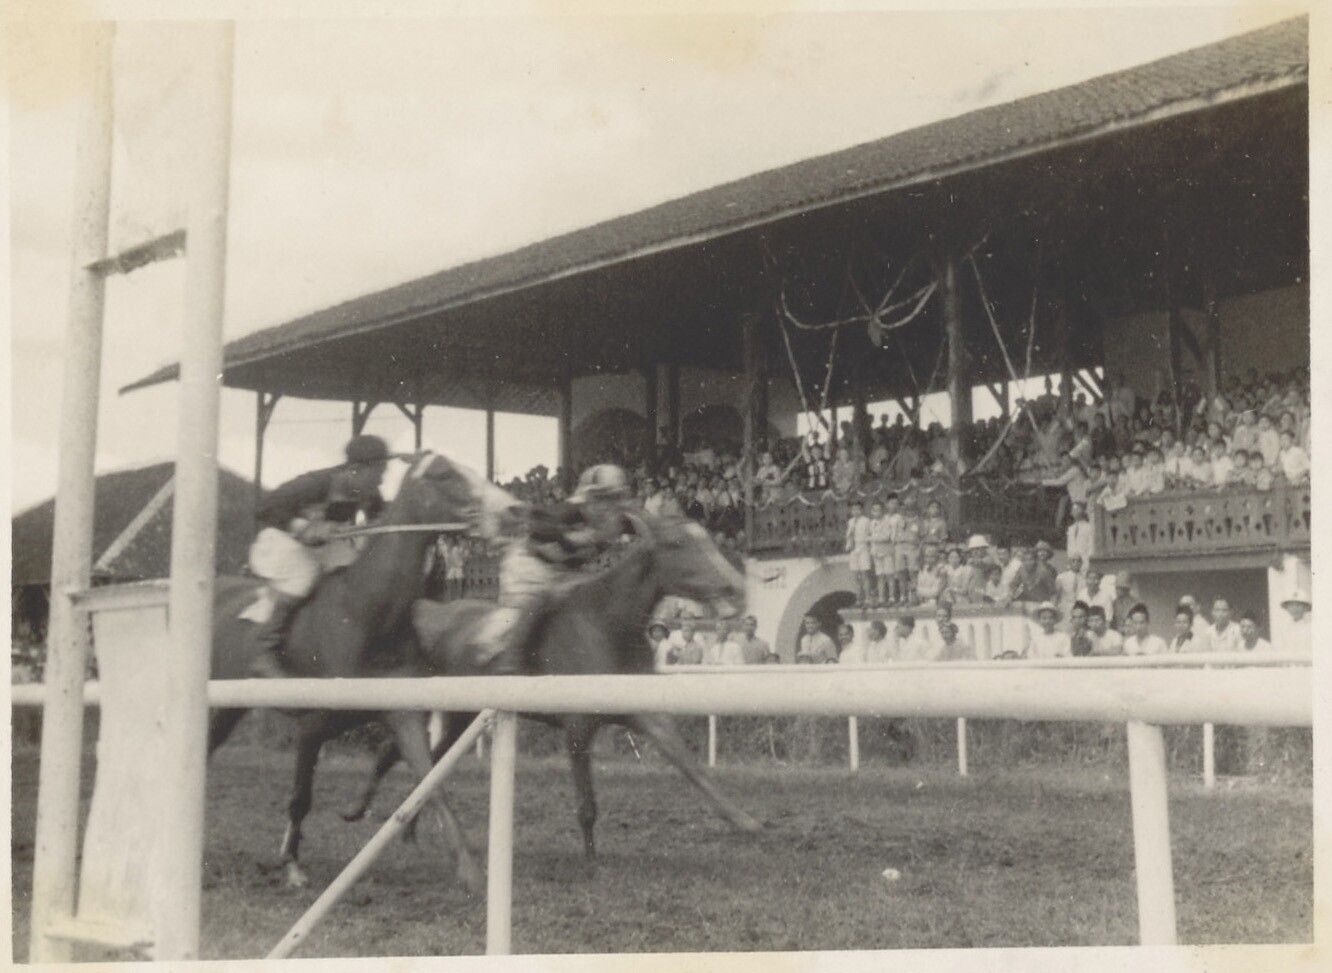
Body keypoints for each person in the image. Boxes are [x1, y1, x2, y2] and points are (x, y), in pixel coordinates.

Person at [246, 434, 393, 677]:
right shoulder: (313, 484)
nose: (381, 480)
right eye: (378, 473)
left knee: (352, 568)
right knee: (305, 575)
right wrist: (303, 527)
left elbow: (380, 516)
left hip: (318, 545)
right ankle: (264, 649)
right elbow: (265, 508)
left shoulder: (367, 491)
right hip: (281, 539)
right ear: (357, 469)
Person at [489, 463, 636, 674]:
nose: (608, 506)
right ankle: (512, 657)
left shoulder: (620, 521)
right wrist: (567, 538)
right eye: (602, 498)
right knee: (540, 597)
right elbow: (537, 523)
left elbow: (647, 527)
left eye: (614, 498)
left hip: (566, 571)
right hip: (530, 564)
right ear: (588, 497)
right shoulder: (569, 511)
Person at [845, 500, 874, 607]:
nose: (855, 511)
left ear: (861, 510)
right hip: (854, 550)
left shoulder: (866, 521)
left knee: (865, 574)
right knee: (855, 575)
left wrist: (866, 543)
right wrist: (849, 546)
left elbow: (870, 534)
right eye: (853, 509)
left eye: (858, 509)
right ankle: (858, 598)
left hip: (863, 548)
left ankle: (868, 598)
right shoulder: (850, 522)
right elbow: (849, 536)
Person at [1281, 590, 1311, 655]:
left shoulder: (1310, 628)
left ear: (1305, 607)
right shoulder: (1286, 629)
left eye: (1298, 605)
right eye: (1291, 605)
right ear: (1287, 608)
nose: (1295, 608)